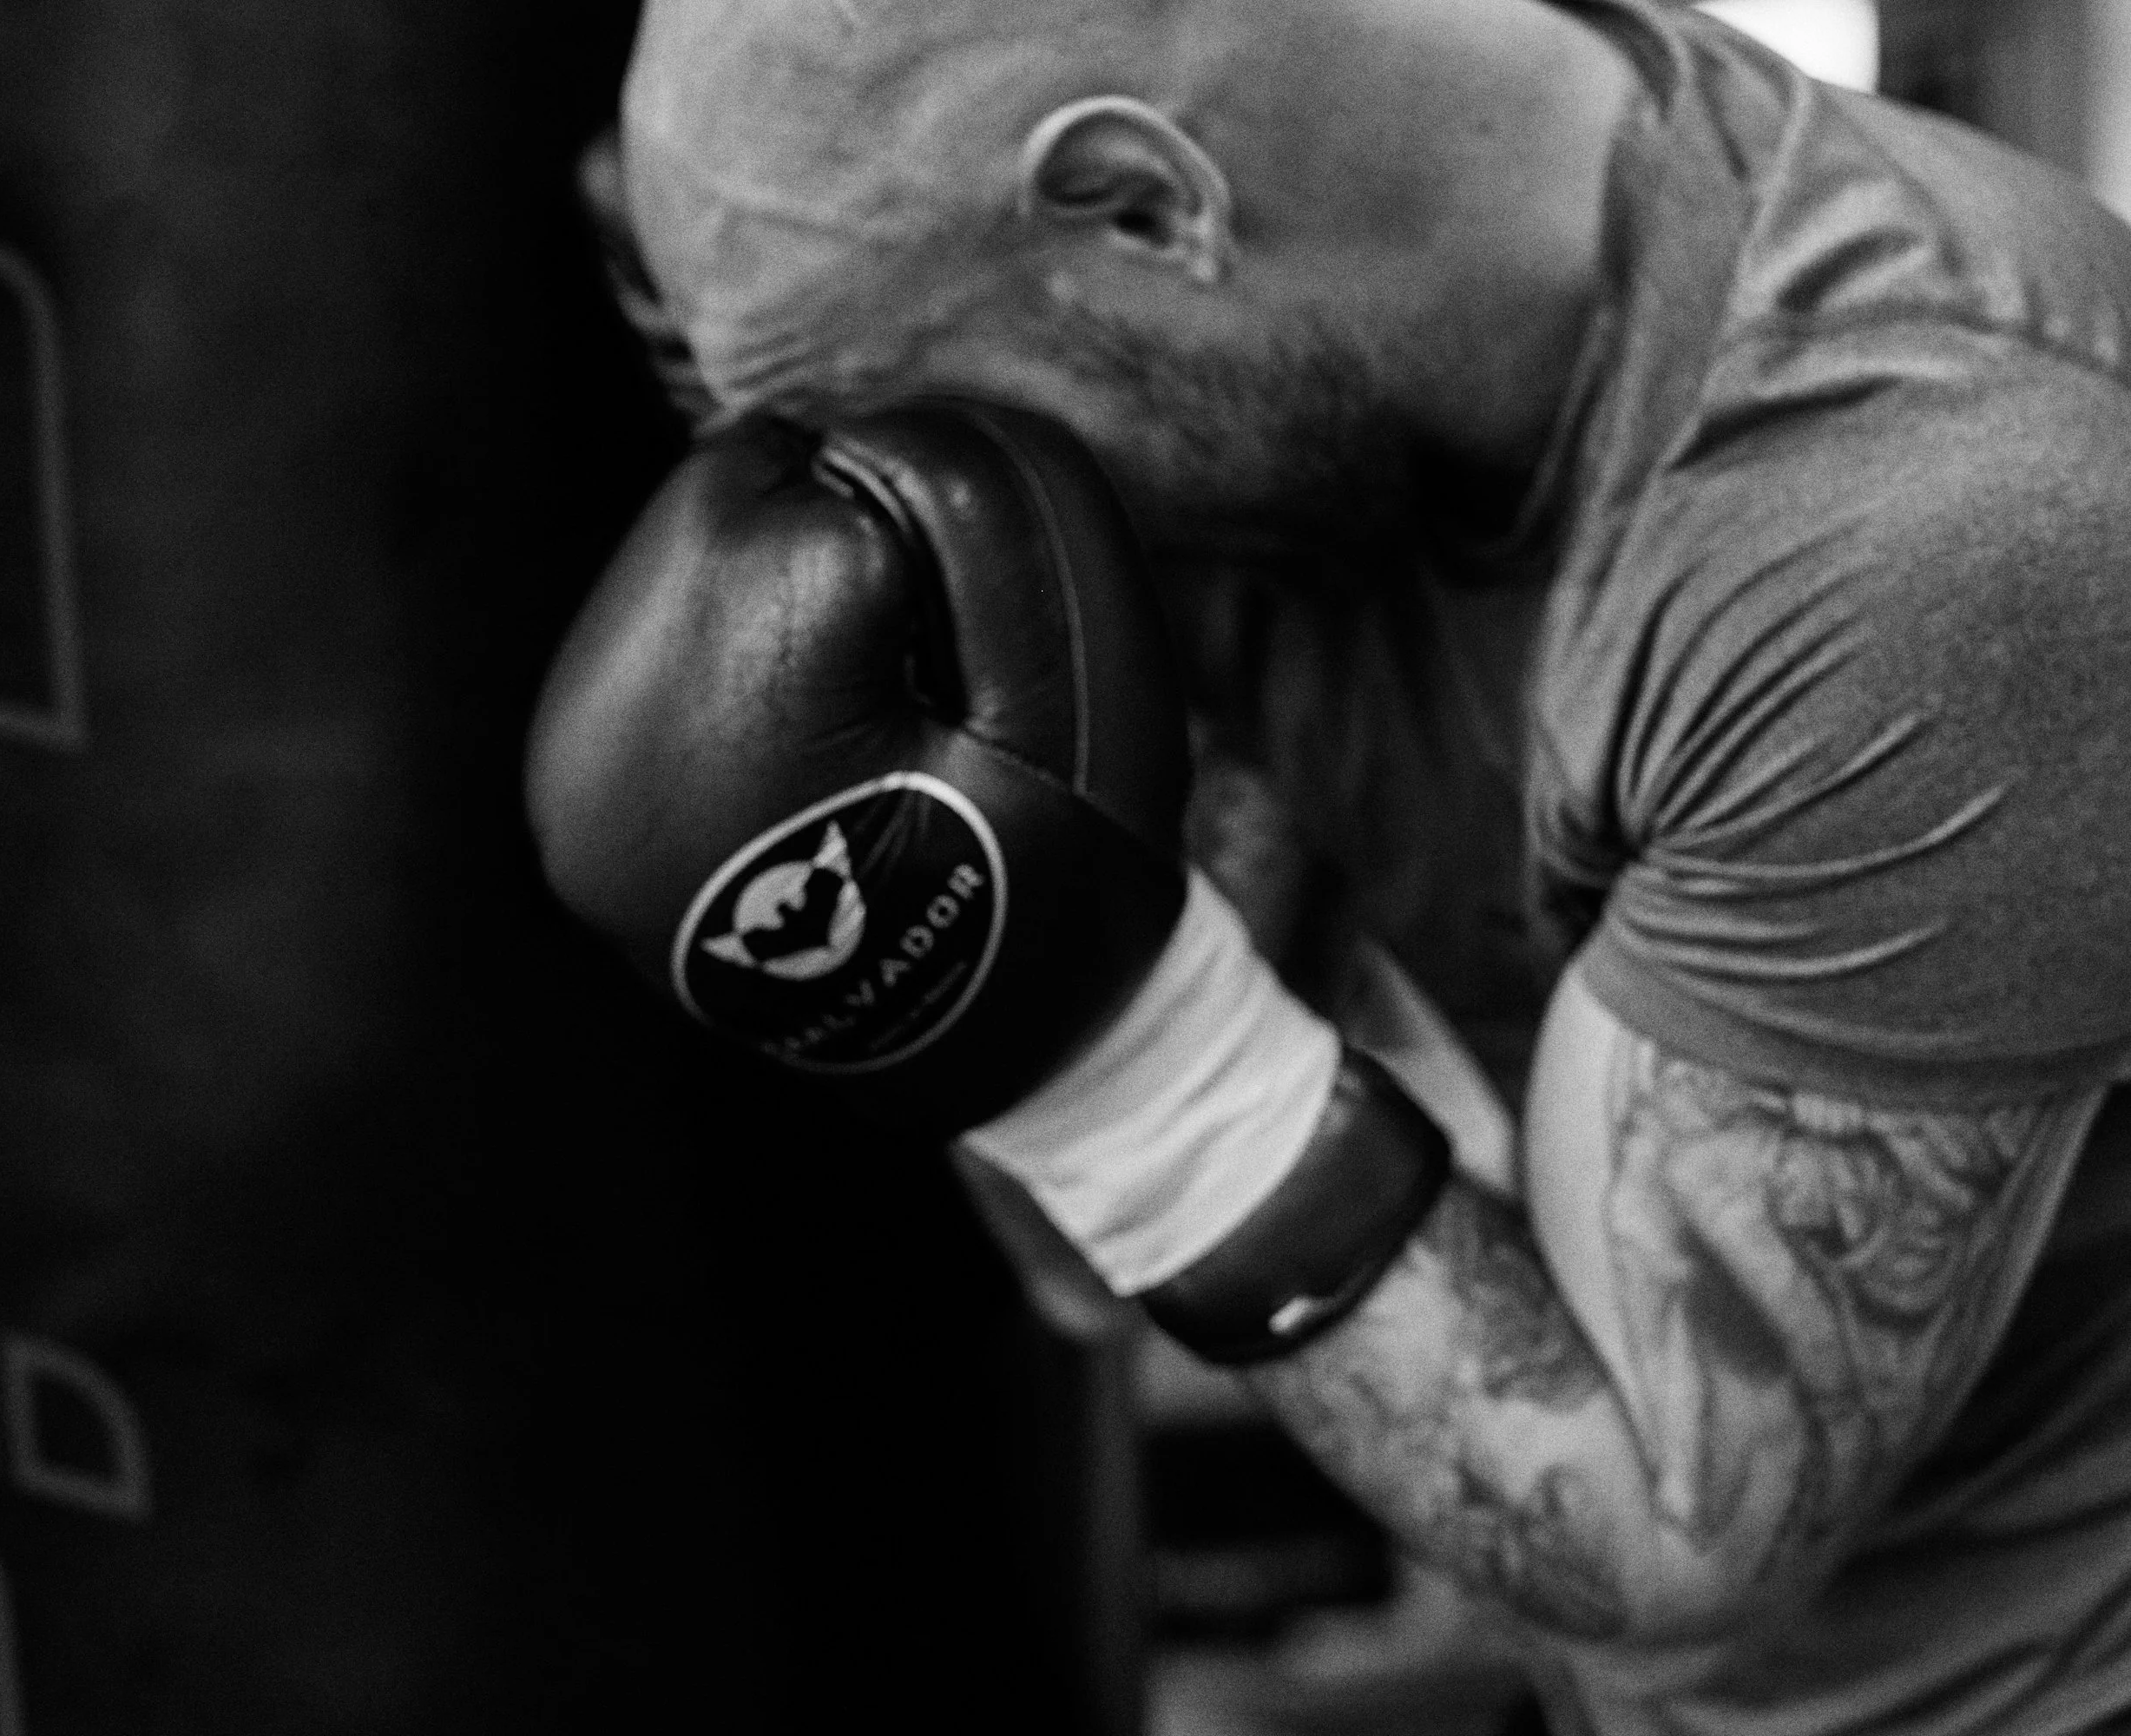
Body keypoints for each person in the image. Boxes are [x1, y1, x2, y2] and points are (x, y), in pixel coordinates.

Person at [545, 3, 2131, 1731]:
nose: (933, 499)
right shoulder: (1241, 402)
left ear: (1143, 210)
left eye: (913, 425)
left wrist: (1114, 1078)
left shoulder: (1926, 523)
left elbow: (1668, 1541)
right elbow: (1091, 1268)